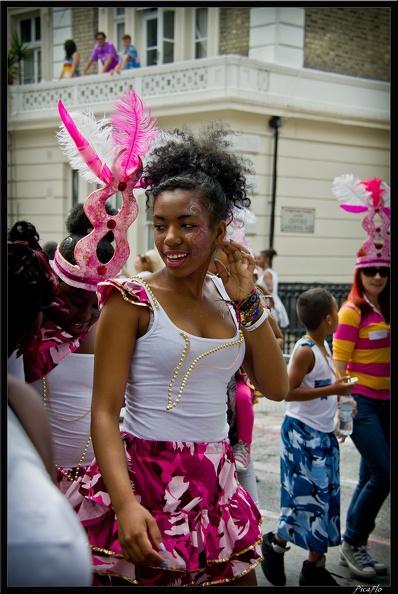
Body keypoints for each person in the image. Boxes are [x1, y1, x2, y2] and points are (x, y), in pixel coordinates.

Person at [72, 123, 289, 586]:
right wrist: (126, 503)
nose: (170, 238)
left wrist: (249, 300)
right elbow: (105, 412)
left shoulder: (233, 300)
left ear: (219, 228)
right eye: (160, 224)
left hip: (216, 480)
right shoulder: (130, 300)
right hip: (145, 478)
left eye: (187, 225)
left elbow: (276, 386)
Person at [7, 222, 92, 586]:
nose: (86, 315)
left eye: (96, 304)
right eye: (75, 301)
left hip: (90, 483)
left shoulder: (109, 325)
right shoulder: (20, 381)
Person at [261, 287, 355, 586]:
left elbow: (324, 389)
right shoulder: (305, 350)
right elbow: (288, 392)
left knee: (325, 500)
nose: (339, 315)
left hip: (323, 434)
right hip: (303, 435)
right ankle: (275, 546)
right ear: (328, 319)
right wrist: (334, 390)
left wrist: (339, 402)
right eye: (337, 311)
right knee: (305, 500)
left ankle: (314, 567)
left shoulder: (323, 346)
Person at [332, 174, 390, 580]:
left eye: (383, 272)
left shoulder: (385, 309)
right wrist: (342, 401)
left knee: (373, 474)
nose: (377, 278)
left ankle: (352, 545)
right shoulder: (353, 312)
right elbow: (340, 361)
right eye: (370, 272)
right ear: (359, 274)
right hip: (362, 401)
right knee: (385, 474)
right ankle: (353, 542)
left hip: (387, 403)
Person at [256, 247, 290, 329]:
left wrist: (258, 287)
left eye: (259, 258)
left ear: (266, 259)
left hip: (269, 303)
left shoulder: (266, 273)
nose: (257, 261)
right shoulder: (270, 272)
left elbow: (270, 288)